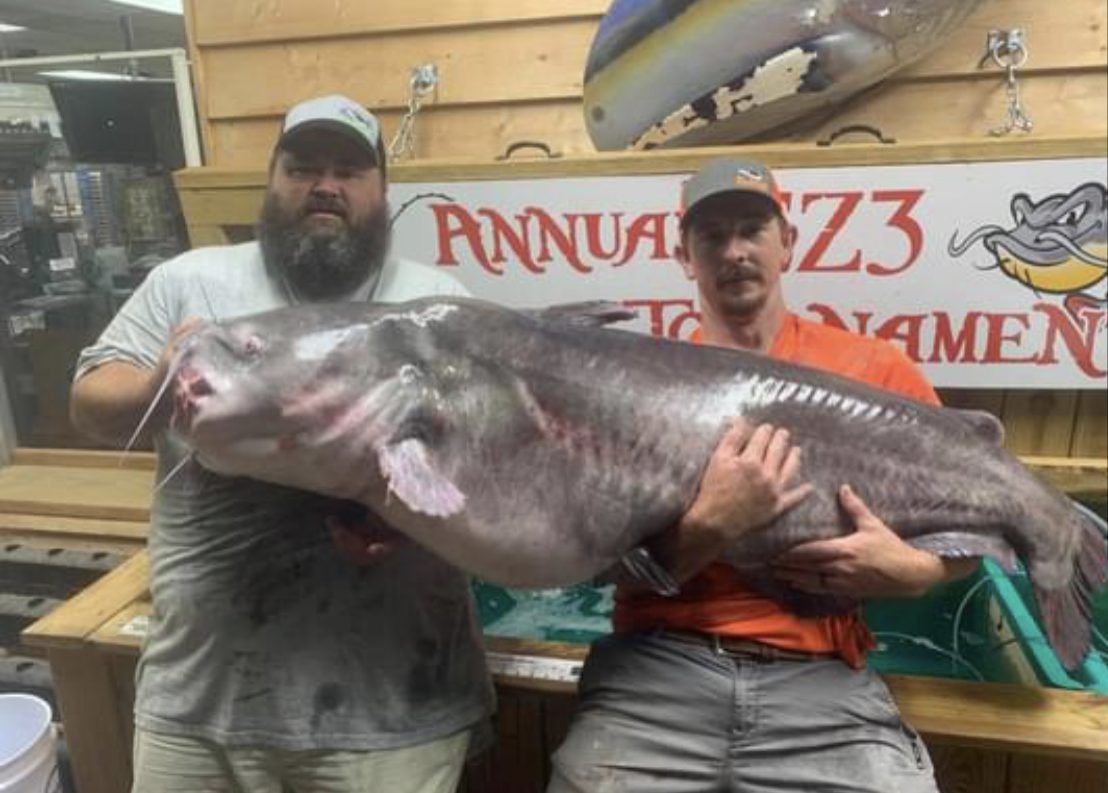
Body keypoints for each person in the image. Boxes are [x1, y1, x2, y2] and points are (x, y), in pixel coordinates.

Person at [69, 94, 495, 793]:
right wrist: (159, 382)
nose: (325, 185)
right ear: (272, 181)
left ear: (383, 191)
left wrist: (414, 523)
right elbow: (90, 404)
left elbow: (484, 467)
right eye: (302, 167)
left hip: (392, 710)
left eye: (349, 170)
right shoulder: (191, 282)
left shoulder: (439, 302)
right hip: (199, 706)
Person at [547, 157, 981, 793]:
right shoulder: (635, 383)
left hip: (822, 685)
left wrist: (912, 572)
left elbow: (969, 528)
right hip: (658, 674)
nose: (734, 251)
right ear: (685, 256)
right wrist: (710, 525)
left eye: (752, 229)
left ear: (788, 244)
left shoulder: (876, 370)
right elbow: (592, 562)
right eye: (712, 237)